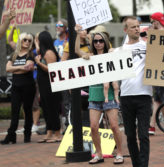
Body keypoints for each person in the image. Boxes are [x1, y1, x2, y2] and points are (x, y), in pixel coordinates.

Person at [74, 25, 124, 165]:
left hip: (109, 95)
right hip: (95, 95)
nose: (98, 44)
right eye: (95, 41)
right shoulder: (90, 56)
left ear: (106, 42)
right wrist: (78, 34)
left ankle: (119, 153)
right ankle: (99, 154)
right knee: (94, 127)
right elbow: (77, 50)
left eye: (101, 41)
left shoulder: (111, 54)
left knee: (114, 126)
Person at [118, 16, 153, 167]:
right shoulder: (119, 50)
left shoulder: (147, 46)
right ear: (126, 30)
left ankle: (143, 165)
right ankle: (136, 164)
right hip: (126, 96)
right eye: (133, 27)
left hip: (144, 95)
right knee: (130, 135)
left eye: (138, 26)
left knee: (144, 135)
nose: (137, 29)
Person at [1, 32, 35, 144]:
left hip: (28, 86)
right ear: (20, 40)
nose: (27, 42)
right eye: (25, 39)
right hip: (16, 86)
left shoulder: (30, 54)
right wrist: (21, 67)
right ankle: (11, 135)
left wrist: (15, 67)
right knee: (14, 111)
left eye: (30, 40)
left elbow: (28, 68)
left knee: (27, 110)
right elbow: (7, 69)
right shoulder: (14, 54)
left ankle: (27, 135)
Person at [35, 31, 62, 143]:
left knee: (52, 108)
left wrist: (38, 63)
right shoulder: (42, 52)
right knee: (46, 108)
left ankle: (57, 133)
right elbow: (37, 49)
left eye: (38, 40)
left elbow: (51, 69)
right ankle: (49, 132)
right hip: (43, 84)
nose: (37, 42)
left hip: (50, 84)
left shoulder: (49, 53)